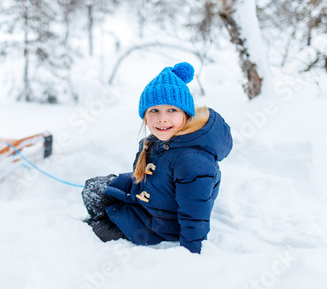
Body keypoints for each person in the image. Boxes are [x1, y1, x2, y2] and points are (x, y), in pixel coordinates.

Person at [81, 62, 233, 254]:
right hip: (154, 202)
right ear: (145, 115)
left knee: (98, 226)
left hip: (161, 226)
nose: (162, 118)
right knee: (93, 188)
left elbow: (195, 216)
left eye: (172, 110)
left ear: (186, 114)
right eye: (154, 110)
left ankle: (96, 228)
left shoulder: (192, 160)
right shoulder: (165, 140)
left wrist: (191, 255)